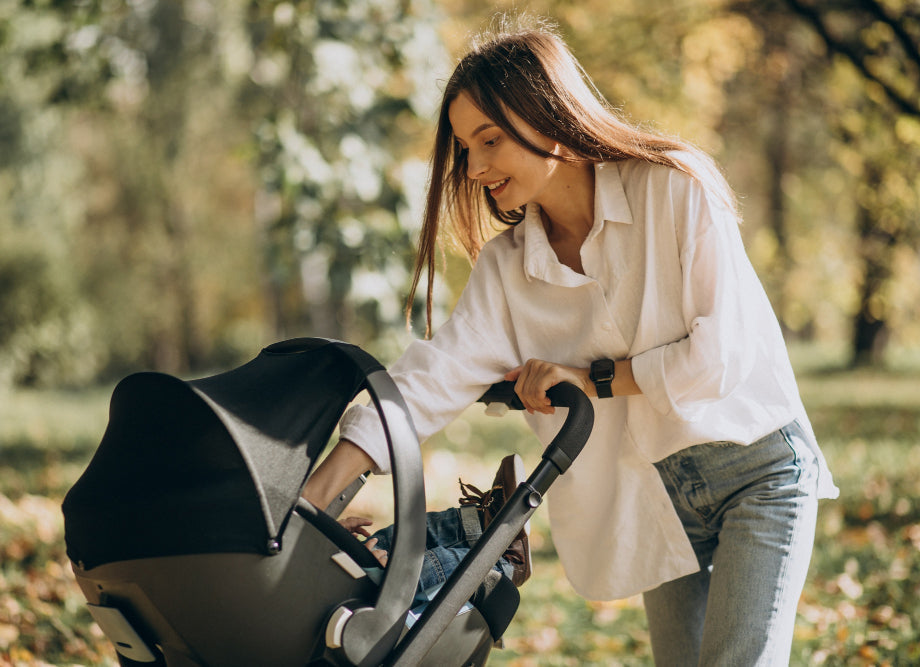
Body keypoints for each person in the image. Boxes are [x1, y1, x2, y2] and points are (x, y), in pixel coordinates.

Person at [303, 15, 838, 666]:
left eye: (489, 139)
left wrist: (592, 378)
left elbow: (717, 356)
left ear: (547, 115)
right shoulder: (507, 270)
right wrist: (314, 498)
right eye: (465, 148)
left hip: (757, 472)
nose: (473, 167)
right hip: (656, 502)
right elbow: (430, 378)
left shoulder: (676, 188)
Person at [338, 453, 532, 601]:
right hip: (347, 598)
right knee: (409, 571)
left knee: (391, 539)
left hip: (328, 569)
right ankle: (505, 564)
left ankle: (481, 524)